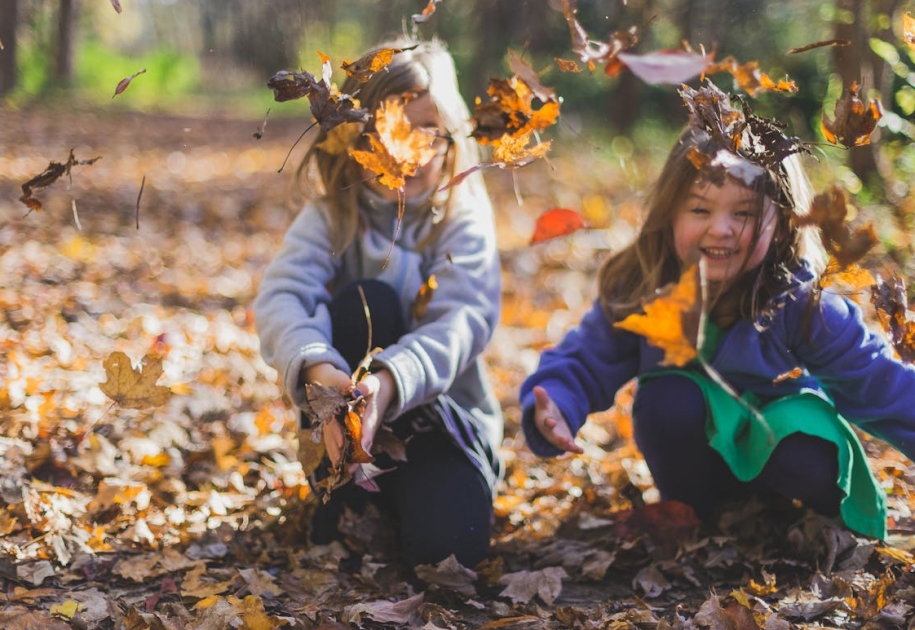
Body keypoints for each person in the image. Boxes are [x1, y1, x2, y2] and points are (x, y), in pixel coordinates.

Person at [520, 90, 915, 541]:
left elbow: (882, 385)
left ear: (783, 224)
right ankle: (697, 519)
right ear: (669, 215)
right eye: (700, 209)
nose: (720, 228)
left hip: (787, 457)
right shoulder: (648, 289)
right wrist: (556, 402)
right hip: (699, 464)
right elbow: (587, 358)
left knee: (800, 444)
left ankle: (791, 521)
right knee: (667, 399)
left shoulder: (803, 305)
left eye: (744, 214)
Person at [254, 38, 503, 568]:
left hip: (442, 428)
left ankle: (424, 499)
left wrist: (387, 384)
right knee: (365, 300)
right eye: (386, 131)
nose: (406, 152)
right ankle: (344, 492)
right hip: (343, 430)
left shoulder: (461, 217)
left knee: (449, 555)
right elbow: (282, 295)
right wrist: (321, 369)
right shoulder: (332, 217)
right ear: (352, 138)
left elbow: (463, 319)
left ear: (450, 137)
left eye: (424, 133)